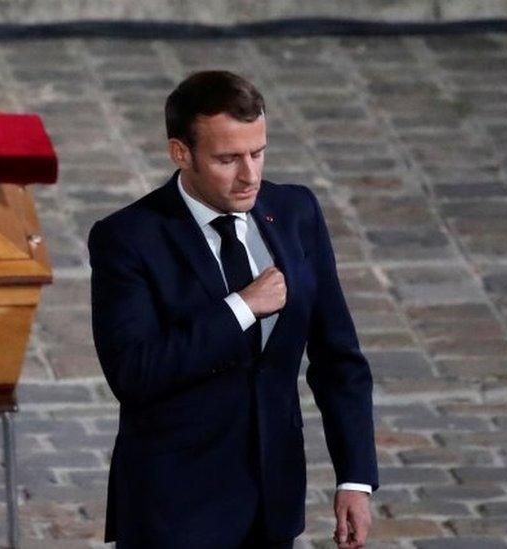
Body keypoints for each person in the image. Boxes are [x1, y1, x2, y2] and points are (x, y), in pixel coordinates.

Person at [88, 71, 379, 548]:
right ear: (181, 153)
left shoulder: (295, 212)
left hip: (272, 504)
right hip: (174, 512)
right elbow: (134, 372)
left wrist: (355, 479)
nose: (250, 175)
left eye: (257, 153)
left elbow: (338, 358)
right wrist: (241, 308)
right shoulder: (129, 238)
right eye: (228, 159)